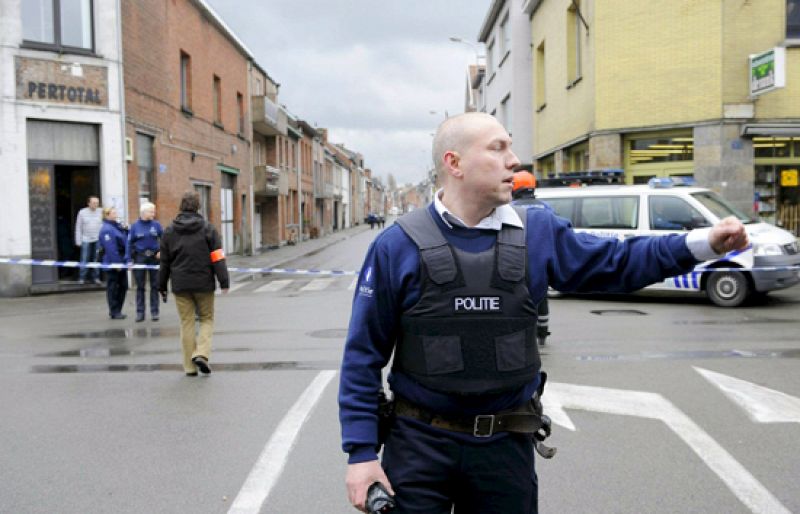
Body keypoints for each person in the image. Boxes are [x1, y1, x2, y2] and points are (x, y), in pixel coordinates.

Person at [338, 112, 748, 513]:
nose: (513, 161)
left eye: (511, 148)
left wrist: (704, 243)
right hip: (418, 446)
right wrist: (361, 454)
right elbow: (362, 355)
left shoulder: (536, 231)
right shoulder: (397, 245)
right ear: (454, 163)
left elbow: (619, 261)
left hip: (505, 448)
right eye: (498, 149)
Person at [158, 191, 229, 377]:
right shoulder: (208, 228)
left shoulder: (169, 231)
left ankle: (189, 367)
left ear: (181, 206)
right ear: (198, 206)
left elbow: (164, 261)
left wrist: (161, 286)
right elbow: (217, 257)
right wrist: (224, 281)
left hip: (180, 285)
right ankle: (201, 354)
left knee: (186, 322)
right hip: (204, 282)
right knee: (206, 319)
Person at [511, 170, 551, 346]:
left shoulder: (510, 208)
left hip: (516, 260)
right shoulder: (546, 207)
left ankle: (521, 333)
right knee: (542, 297)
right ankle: (542, 332)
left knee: (517, 298)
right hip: (541, 260)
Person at [126, 202, 164, 322]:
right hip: (140, 258)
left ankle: (154, 312)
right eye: (151, 211)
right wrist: (128, 260)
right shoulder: (135, 226)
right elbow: (129, 243)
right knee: (140, 287)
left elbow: (165, 239)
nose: (154, 213)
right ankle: (140, 313)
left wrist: (161, 251)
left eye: (154, 211)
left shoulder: (156, 225)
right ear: (144, 212)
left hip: (154, 258)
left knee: (154, 285)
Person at [98, 206, 129, 320]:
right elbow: (111, 249)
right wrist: (117, 265)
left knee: (123, 286)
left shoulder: (117, 226)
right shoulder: (106, 229)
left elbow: (125, 240)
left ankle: (118, 310)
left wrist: (126, 229)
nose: (116, 214)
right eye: (114, 213)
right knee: (113, 288)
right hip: (113, 263)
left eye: (116, 212)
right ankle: (114, 311)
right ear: (107, 215)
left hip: (121, 260)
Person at [75, 195, 103, 284]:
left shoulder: (101, 212)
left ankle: (96, 278)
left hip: (97, 238)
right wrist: (78, 240)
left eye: (97, 203)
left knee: (96, 258)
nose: (96, 205)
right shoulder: (82, 212)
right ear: (88, 203)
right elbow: (78, 227)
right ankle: (82, 278)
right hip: (85, 238)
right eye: (94, 203)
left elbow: (104, 226)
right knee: (84, 258)